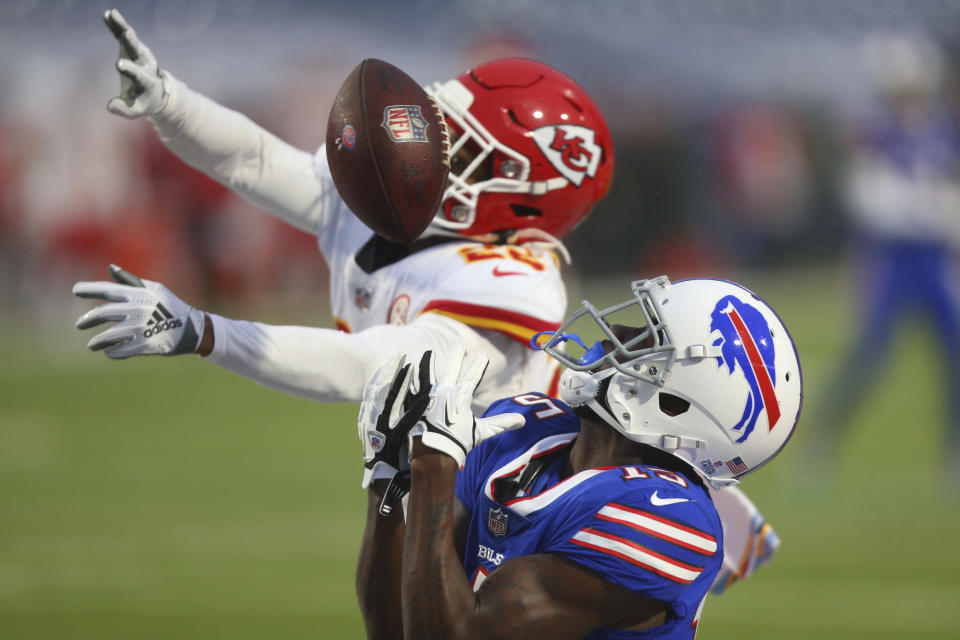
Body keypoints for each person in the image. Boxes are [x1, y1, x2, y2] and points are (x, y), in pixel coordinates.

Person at [75, 8, 777, 594]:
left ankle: (714, 536)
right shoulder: (402, 204)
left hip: (521, 480)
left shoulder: (512, 281)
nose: (431, 142)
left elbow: (363, 366)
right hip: (435, 457)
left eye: (459, 146)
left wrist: (204, 331)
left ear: (514, 190)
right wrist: (170, 103)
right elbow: (261, 163)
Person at [355, 276, 803, 639]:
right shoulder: (524, 430)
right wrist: (389, 478)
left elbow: (459, 633)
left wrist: (434, 465)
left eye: (649, 341)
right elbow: (400, 623)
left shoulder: (675, 521)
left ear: (680, 403)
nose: (620, 336)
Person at [816, 33, 960, 475]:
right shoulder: (875, 132)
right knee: (871, 354)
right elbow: (868, 200)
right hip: (894, 258)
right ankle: (823, 439)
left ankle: (952, 452)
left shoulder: (942, 129)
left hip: (934, 259)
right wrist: (924, 209)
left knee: (954, 352)